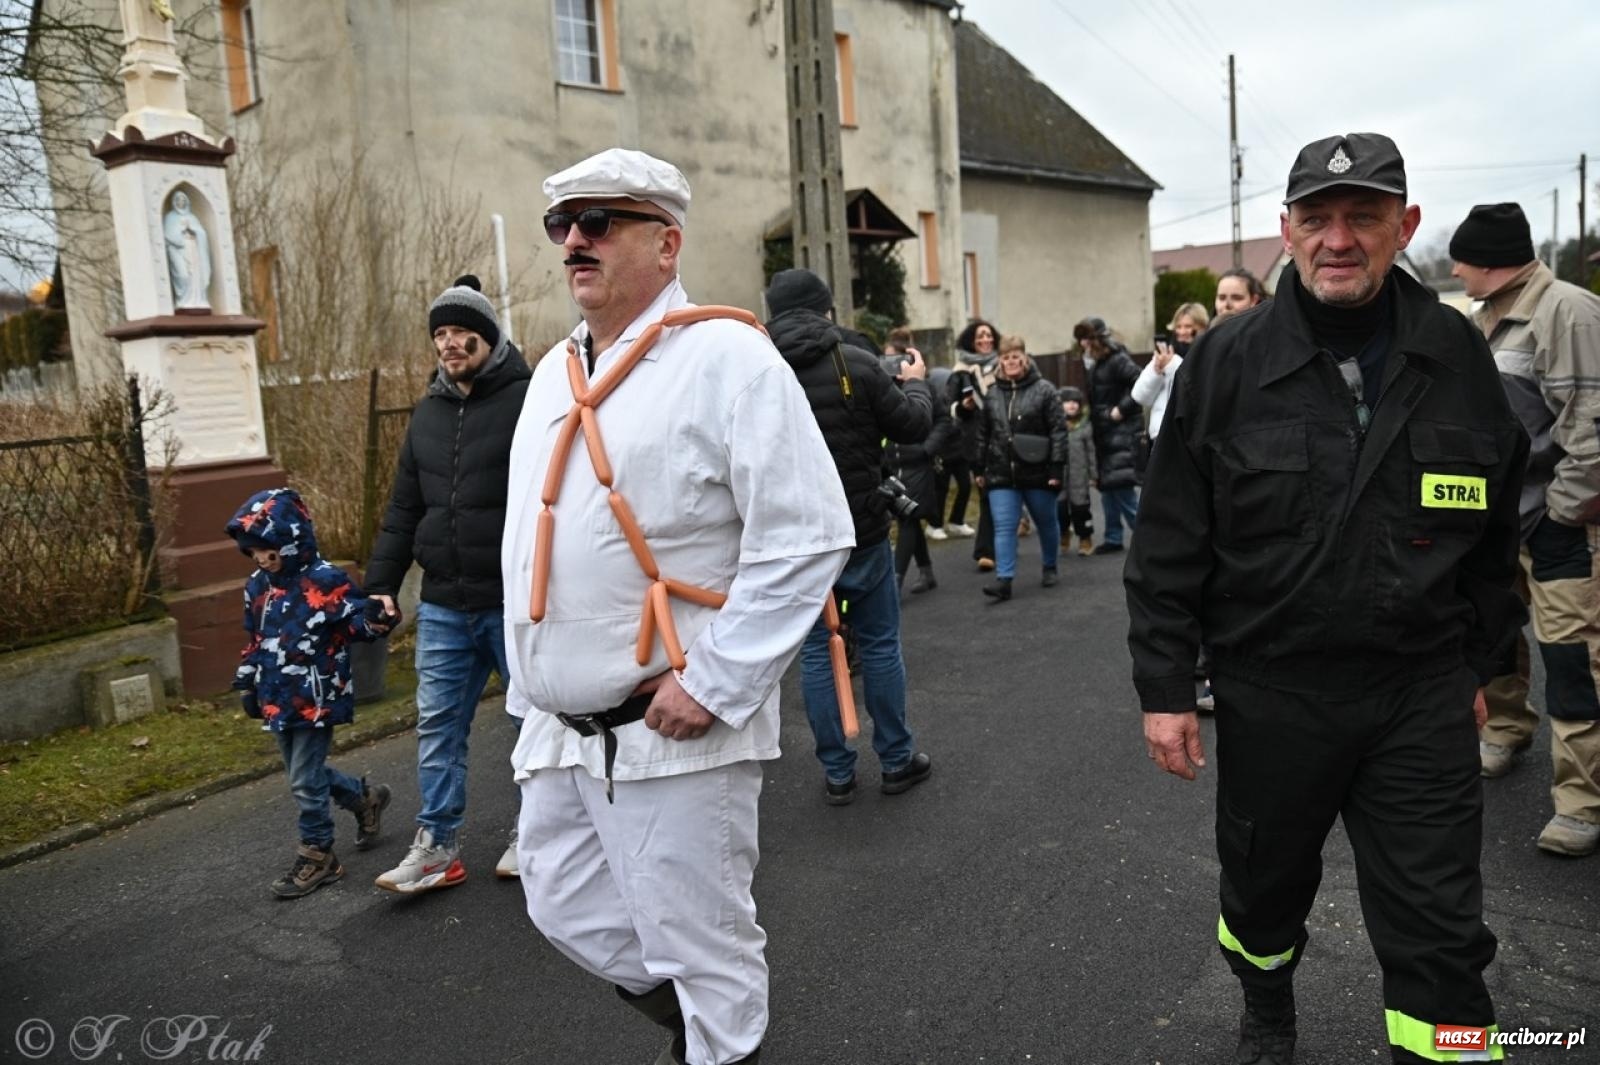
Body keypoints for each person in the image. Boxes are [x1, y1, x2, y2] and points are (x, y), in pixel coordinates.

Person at [1127, 132, 1529, 1065]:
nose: (1337, 238)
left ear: (1406, 227)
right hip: (1273, 694)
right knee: (1262, 897)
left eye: (1364, 217)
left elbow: (1494, 539)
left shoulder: (1458, 359)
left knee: (1442, 934)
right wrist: (1164, 689)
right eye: (1317, 218)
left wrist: (1476, 666)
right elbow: (1169, 544)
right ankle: (1266, 999)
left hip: (1417, 698)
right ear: (1286, 231)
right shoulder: (1223, 364)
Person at [501, 149, 854, 1065]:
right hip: (560, 728)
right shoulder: (550, 375)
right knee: (563, 902)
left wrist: (718, 679)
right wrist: (529, 690)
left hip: (674, 723)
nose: (575, 241)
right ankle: (701, 1033)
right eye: (562, 226)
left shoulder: (727, 355)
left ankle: (720, 1044)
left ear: (667, 242)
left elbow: (809, 532)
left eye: (600, 222)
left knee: (702, 942)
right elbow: (530, 547)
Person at [364, 274, 532, 892]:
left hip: (514, 602)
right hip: (442, 605)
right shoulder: (428, 413)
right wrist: (381, 584)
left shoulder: (530, 399)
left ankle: (538, 833)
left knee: (532, 724)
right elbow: (404, 506)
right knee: (437, 728)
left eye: (463, 333)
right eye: (441, 333)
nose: (450, 344)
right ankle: (437, 847)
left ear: (487, 338)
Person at [1450, 201, 1600, 857]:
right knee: (1495, 636)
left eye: (1459, 258)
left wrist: (1564, 511)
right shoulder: (1483, 318)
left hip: (1559, 521)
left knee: (1571, 658)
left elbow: (1592, 429)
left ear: (1488, 260)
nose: (1453, 270)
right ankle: (1506, 730)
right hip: (1500, 522)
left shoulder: (1567, 310)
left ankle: (1582, 802)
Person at [765, 266, 936, 805]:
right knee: (881, 644)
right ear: (827, 309)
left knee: (818, 652)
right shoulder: (855, 361)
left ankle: (837, 772)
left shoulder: (757, 369)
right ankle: (896, 759)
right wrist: (918, 384)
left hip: (796, 538)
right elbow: (912, 426)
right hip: (860, 528)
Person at [226, 488, 395, 899]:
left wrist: (378, 617)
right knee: (304, 775)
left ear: (291, 538)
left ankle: (319, 855)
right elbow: (256, 639)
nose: (261, 559)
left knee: (303, 779)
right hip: (275, 696)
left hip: (317, 697)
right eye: (252, 552)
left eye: (267, 550)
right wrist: (247, 680)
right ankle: (364, 798)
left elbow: (358, 624)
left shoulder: (325, 579)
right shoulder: (257, 588)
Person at [972, 335, 1067, 600]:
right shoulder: (991, 394)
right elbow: (982, 434)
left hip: (1038, 470)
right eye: (1005, 357)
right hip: (1002, 471)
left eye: (1015, 356)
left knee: (1046, 522)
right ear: (999, 361)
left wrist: (1056, 469)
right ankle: (1004, 579)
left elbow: (1059, 432)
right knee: (1004, 525)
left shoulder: (1045, 390)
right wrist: (979, 469)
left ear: (1025, 358)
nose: (1010, 362)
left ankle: (1050, 565)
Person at [881, 341, 957, 595]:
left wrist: (926, 448)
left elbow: (944, 420)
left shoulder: (925, 388)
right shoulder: (882, 387)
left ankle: (896, 579)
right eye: (886, 358)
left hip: (918, 464)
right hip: (893, 465)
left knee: (908, 517)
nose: (892, 364)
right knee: (908, 517)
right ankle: (926, 571)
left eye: (896, 358)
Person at [1075, 316, 1142, 554]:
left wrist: (1120, 410)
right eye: (1081, 339)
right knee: (1108, 488)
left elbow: (1141, 381)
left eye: (1087, 338)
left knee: (1123, 489)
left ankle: (1148, 538)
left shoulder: (1116, 360)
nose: (1083, 344)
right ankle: (1113, 536)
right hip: (1104, 431)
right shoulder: (1096, 362)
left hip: (1120, 431)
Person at [952, 319, 1001, 566]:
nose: (985, 340)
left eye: (989, 335)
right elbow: (950, 408)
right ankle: (986, 552)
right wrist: (963, 406)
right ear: (971, 340)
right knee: (987, 496)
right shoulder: (961, 370)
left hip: (1004, 438)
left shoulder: (1004, 364)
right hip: (977, 442)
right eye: (980, 336)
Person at [1133, 302, 1209, 441]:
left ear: (1201, 327)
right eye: (1178, 326)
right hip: (1159, 436)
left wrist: (1172, 366)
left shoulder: (1207, 354)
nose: (1182, 332)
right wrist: (1157, 371)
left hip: (1189, 437)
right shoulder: (1166, 354)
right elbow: (1139, 396)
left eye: (1188, 326)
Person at [1055, 386, 1097, 557]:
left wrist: (1093, 475)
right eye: (1067, 402)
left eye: (1075, 402)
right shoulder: (1056, 426)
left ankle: (1085, 539)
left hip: (1080, 476)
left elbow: (1091, 452)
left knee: (1081, 510)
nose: (1071, 406)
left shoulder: (1085, 426)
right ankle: (1064, 532)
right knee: (1060, 509)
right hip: (1060, 476)